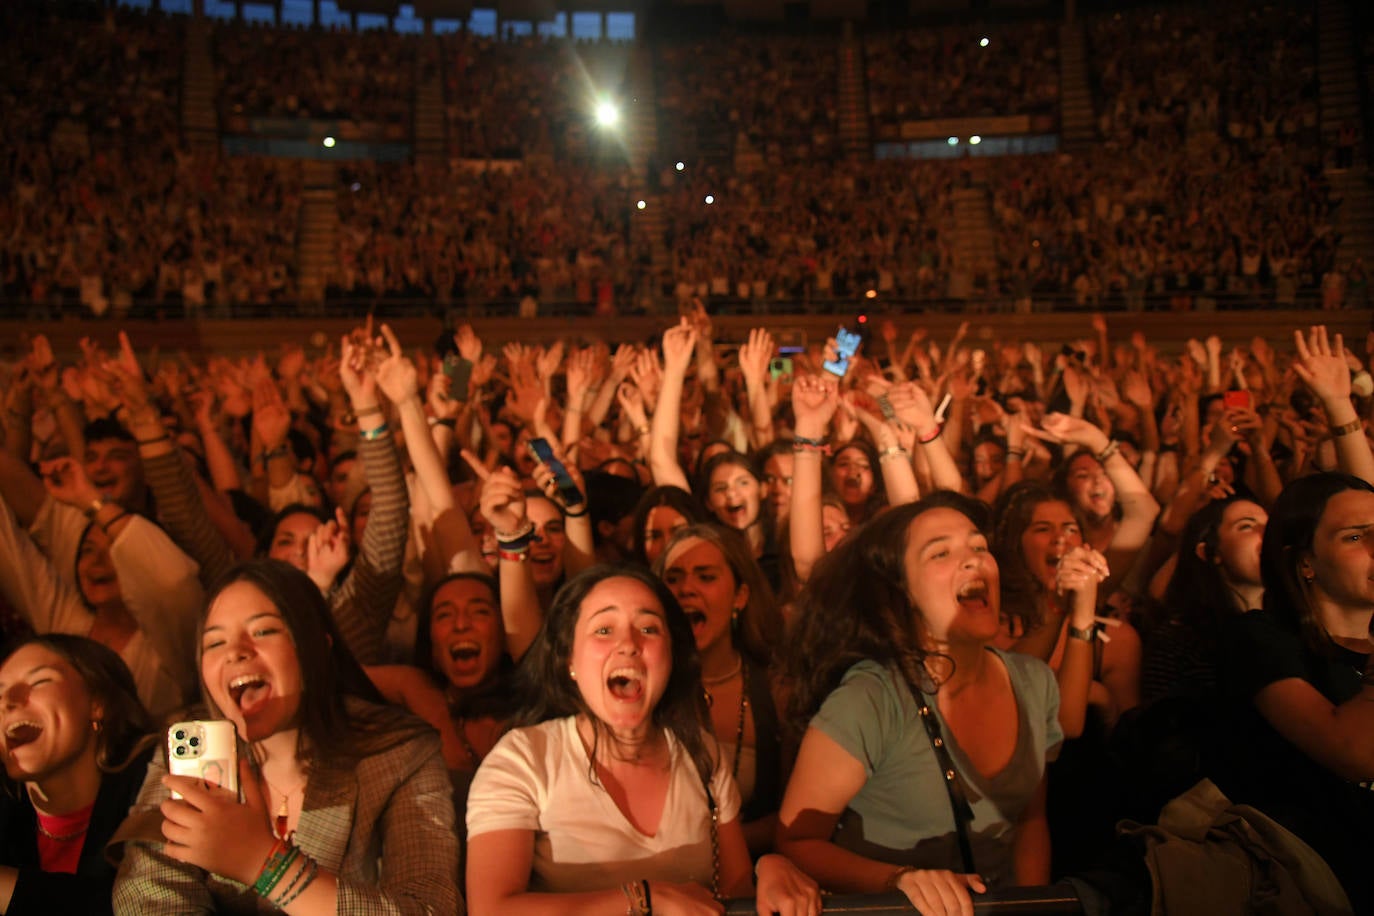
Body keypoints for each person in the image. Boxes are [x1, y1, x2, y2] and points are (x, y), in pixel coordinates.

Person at [465, 564, 820, 915]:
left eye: (649, 628)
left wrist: (769, 869)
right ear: (568, 660)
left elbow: (732, 896)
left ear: (670, 657)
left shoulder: (701, 753)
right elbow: (491, 908)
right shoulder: (523, 759)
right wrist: (644, 899)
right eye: (604, 629)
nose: (629, 645)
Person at [111, 559, 458, 914]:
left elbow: (432, 907)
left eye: (263, 632)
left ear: (317, 648)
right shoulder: (189, 749)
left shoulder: (398, 755)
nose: (235, 651)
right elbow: (147, 891)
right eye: (214, 642)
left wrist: (265, 865)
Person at [777, 493, 1062, 915]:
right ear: (903, 593)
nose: (973, 561)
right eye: (941, 553)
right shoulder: (870, 700)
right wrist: (898, 880)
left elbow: (1030, 821)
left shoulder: (1034, 682)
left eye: (979, 547)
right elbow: (797, 842)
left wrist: (1032, 907)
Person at [1213, 473, 1374, 912]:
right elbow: (1355, 752)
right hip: (1321, 883)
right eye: (1356, 536)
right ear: (1305, 562)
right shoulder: (1260, 639)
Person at [0, 635, 157, 915]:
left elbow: (143, 903)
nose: (8, 702)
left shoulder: (153, 778)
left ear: (98, 703)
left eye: (39, 681)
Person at [655, 524, 786, 855]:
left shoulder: (777, 690)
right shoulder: (643, 688)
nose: (686, 589)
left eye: (706, 576)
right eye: (673, 578)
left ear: (740, 597)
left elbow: (798, 817)